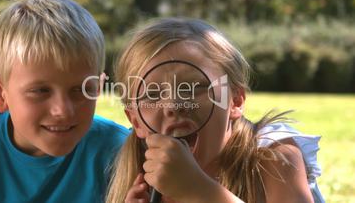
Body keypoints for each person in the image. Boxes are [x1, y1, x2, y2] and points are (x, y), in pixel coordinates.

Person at [106, 18, 324, 203]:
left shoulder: (275, 157)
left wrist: (199, 191)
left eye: (196, 87)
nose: (173, 105)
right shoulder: (146, 183)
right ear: (135, 122)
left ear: (235, 101)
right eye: (152, 95)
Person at [0, 0, 129, 203]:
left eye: (80, 89)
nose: (63, 110)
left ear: (98, 87)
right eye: (40, 91)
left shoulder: (119, 153)